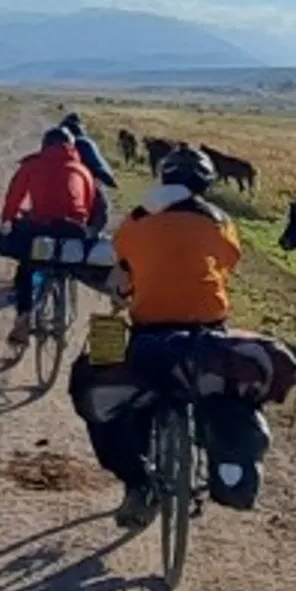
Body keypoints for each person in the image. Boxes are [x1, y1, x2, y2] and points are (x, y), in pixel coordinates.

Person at [110, 145, 265, 509]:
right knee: (215, 388)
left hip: (152, 327)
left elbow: (122, 264)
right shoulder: (219, 220)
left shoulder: (138, 217)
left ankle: (139, 484)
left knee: (135, 400)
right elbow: (229, 261)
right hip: (207, 326)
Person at [0, 122, 111, 345]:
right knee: (71, 262)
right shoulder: (83, 170)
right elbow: (90, 206)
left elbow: (13, 200)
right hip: (73, 230)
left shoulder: (32, 165)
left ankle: (24, 316)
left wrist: (8, 222)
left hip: (40, 227)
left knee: (26, 268)